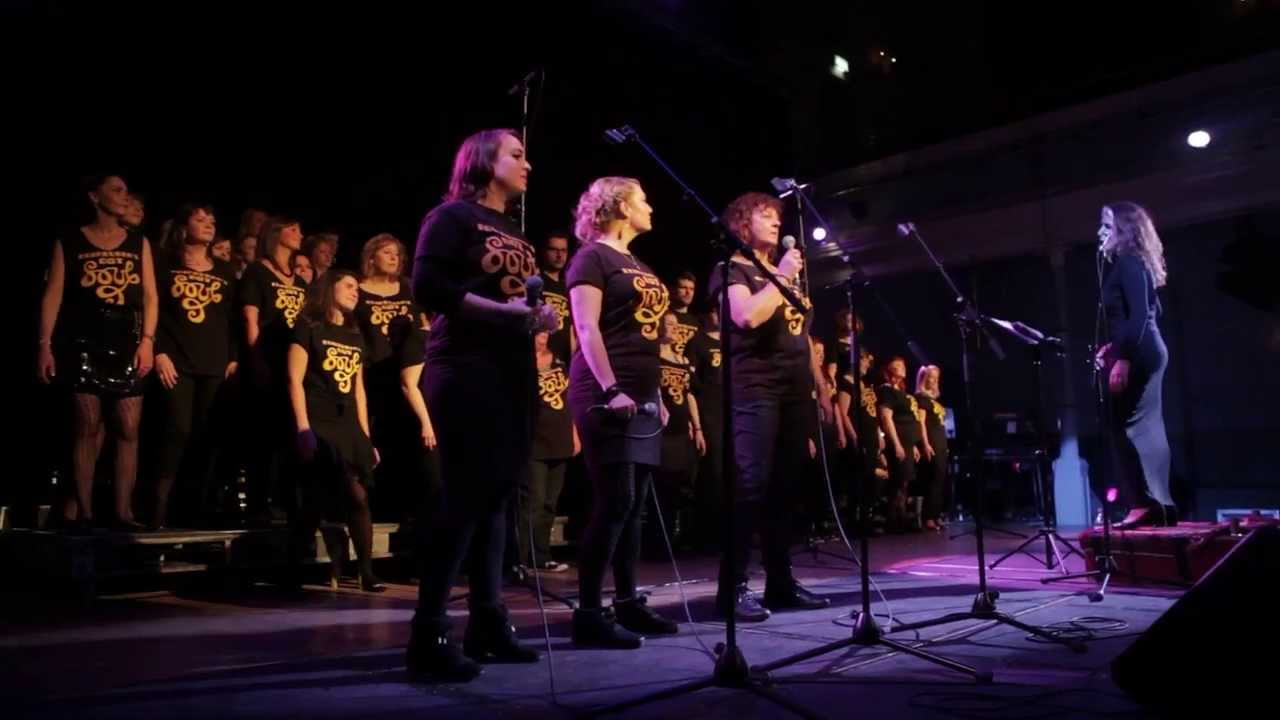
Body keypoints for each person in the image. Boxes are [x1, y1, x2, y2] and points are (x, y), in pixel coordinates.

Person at [406, 128, 556, 682]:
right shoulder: (451, 217)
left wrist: (537, 318)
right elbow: (428, 287)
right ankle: (428, 633)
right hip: (464, 366)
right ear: (484, 162)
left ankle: (488, 623)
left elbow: (514, 300)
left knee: (497, 500)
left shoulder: (515, 229)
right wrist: (503, 314)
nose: (528, 164)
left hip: (510, 371)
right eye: (517, 154)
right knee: (466, 496)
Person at [567, 176, 681, 649]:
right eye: (643, 200)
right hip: (604, 390)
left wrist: (658, 396)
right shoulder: (591, 258)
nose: (650, 207)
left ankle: (629, 602)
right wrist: (611, 388)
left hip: (642, 394)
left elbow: (646, 335)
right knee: (615, 501)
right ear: (618, 207)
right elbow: (587, 327)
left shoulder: (638, 263)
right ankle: (589, 613)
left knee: (635, 509)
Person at [708, 192, 831, 623]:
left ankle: (781, 582)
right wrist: (780, 277)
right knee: (751, 486)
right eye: (766, 216)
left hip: (795, 391)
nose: (777, 222)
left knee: (785, 487)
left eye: (777, 216)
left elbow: (802, 336)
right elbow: (746, 317)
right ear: (743, 224)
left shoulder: (787, 273)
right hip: (756, 387)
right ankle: (733, 588)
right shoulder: (733, 269)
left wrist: (820, 388)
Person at [37, 174, 158, 531]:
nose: (124, 196)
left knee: (128, 426)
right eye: (116, 190)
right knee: (86, 425)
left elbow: (150, 296)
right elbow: (54, 294)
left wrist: (148, 340)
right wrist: (45, 345)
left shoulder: (138, 242)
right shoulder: (70, 240)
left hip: (127, 338)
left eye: (126, 191)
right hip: (83, 340)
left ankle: (123, 513)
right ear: (94, 196)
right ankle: (85, 513)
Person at [286, 269, 383, 592]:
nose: (356, 292)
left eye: (358, 288)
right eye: (349, 286)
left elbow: (359, 390)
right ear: (331, 288)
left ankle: (366, 571)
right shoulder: (308, 326)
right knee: (322, 497)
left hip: (348, 424)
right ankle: (295, 566)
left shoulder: (354, 334)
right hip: (319, 419)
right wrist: (303, 428)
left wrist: (366, 437)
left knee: (358, 496)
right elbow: (294, 380)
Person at [152, 204, 239, 529]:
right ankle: (157, 507)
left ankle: (193, 510)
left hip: (214, 364)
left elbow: (231, 319)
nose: (208, 225)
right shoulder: (165, 263)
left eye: (212, 220)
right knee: (176, 431)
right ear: (183, 226)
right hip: (176, 361)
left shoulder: (225, 270)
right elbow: (153, 310)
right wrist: (159, 351)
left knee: (206, 436)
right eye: (200, 219)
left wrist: (233, 357)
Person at [1096, 202, 1175, 528]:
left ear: (1124, 229)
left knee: (1121, 425)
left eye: (1106, 225)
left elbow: (1140, 315)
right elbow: (1152, 313)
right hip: (1148, 348)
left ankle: (1142, 503)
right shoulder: (1137, 262)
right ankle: (1161, 504)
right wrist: (1115, 347)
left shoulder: (1128, 261)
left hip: (1139, 353)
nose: (1100, 232)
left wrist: (1124, 357)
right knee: (1148, 427)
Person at [354, 233, 430, 521]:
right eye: (387, 252)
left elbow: (423, 325)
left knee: (406, 437)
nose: (393, 258)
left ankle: (406, 504)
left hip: (409, 373)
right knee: (379, 436)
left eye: (397, 254)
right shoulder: (358, 290)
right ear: (371, 257)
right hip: (373, 373)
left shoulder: (408, 288)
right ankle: (378, 502)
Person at [239, 215, 309, 523]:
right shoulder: (257, 272)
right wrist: (256, 361)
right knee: (262, 437)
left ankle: (288, 503)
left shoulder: (301, 281)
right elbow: (250, 320)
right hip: (266, 360)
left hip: (293, 364)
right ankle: (257, 505)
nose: (299, 234)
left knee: (289, 435)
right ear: (275, 234)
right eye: (293, 228)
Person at [518, 329, 578, 572]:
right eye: (537, 332)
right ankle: (520, 559)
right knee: (533, 501)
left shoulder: (560, 362)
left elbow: (570, 399)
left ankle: (541, 556)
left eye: (545, 331)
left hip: (560, 438)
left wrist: (575, 433)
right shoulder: (520, 364)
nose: (542, 336)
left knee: (550, 503)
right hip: (534, 442)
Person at [653, 310, 706, 552]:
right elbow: (652, 387)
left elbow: (690, 395)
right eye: (669, 323)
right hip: (662, 431)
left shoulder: (683, 360)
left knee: (679, 487)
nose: (674, 327)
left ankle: (677, 540)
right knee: (662, 486)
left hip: (682, 431)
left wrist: (698, 427)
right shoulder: (654, 357)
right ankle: (659, 543)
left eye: (676, 324)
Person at [876, 356, 925, 532]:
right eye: (897, 366)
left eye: (903, 365)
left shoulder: (902, 392)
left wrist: (913, 445)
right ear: (889, 371)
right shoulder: (886, 390)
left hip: (907, 443)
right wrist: (897, 444)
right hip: (898, 442)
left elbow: (908, 418)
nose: (902, 368)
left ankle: (900, 518)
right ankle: (894, 520)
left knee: (904, 482)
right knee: (898, 481)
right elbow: (886, 418)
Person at [913, 365, 948, 531]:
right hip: (931, 443)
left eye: (936, 378)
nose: (934, 381)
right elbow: (921, 423)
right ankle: (928, 517)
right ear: (924, 379)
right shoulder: (921, 398)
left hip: (940, 443)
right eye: (931, 377)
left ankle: (936, 515)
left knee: (940, 479)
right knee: (932, 479)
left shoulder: (934, 400)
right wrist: (925, 444)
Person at [538, 231, 575, 362]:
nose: (559, 255)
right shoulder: (536, 282)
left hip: (563, 365)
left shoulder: (570, 287)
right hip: (540, 361)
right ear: (544, 251)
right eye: (554, 249)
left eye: (563, 250)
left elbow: (572, 329)